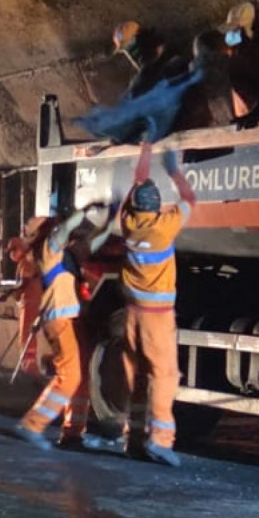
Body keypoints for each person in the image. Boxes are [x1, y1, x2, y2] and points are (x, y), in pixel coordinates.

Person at [84, 145, 196, 469]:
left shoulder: (130, 222)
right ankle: (160, 442)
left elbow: (138, 180)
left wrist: (146, 150)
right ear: (159, 208)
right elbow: (190, 201)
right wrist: (175, 171)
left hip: (133, 314)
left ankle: (131, 439)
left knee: (134, 375)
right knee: (165, 375)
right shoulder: (164, 227)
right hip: (157, 318)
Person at [12, 204, 105, 452]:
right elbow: (64, 230)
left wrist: (113, 222)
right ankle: (32, 424)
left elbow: (94, 242)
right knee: (69, 376)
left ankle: (73, 433)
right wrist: (84, 210)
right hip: (60, 321)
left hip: (73, 320)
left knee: (82, 377)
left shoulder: (67, 254)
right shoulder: (47, 250)